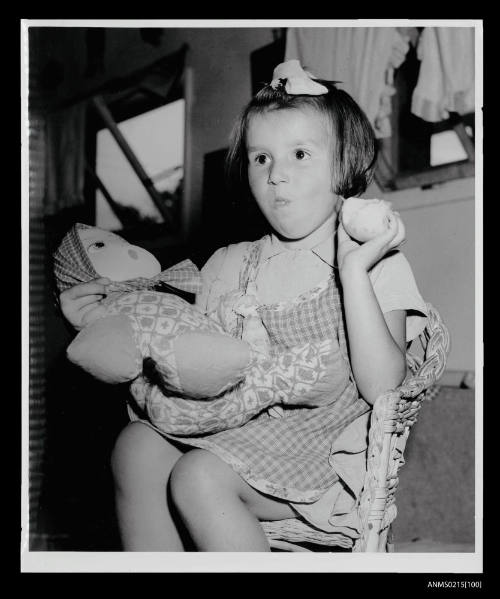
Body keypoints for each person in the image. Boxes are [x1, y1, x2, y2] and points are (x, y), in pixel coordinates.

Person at [59, 59, 428, 551]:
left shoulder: (377, 261)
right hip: (237, 425)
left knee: (197, 475)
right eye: (261, 158)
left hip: (326, 450)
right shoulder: (228, 264)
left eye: (300, 153)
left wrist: (355, 272)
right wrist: (106, 318)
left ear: (345, 164)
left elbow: (385, 388)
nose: (277, 175)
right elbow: (181, 364)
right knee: (136, 448)